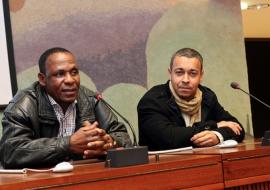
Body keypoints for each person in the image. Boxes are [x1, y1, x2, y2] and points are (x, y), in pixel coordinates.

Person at [0, 47, 132, 169]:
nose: (70, 80)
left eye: (74, 72)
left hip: (83, 177)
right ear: (42, 79)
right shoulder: (23, 105)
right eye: (59, 74)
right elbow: (11, 152)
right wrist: (68, 144)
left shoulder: (91, 99)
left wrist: (109, 142)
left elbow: (123, 138)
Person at [137, 48, 245, 151]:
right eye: (179, 72)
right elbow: (169, 138)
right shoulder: (152, 100)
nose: (185, 80)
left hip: (203, 163)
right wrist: (213, 126)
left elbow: (238, 128)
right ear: (170, 73)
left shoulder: (207, 96)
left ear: (201, 76)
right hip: (161, 166)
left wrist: (217, 135)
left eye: (192, 73)